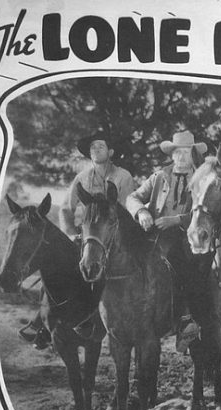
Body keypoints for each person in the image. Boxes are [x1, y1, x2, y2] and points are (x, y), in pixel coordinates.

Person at [19, 130, 135, 349]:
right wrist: (71, 233)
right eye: (92, 148)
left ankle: (99, 321)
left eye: (100, 146)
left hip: (112, 237)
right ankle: (43, 322)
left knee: (109, 273)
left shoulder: (124, 176)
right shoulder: (81, 178)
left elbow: (127, 209)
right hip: (84, 235)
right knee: (56, 269)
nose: (95, 150)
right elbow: (65, 209)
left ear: (110, 151)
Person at [125, 131, 210, 347]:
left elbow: (208, 210)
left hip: (188, 234)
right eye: (177, 152)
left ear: (193, 155)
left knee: (180, 261)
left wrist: (178, 220)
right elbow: (133, 197)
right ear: (171, 155)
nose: (181, 157)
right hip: (154, 233)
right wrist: (141, 213)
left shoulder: (202, 178)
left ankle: (185, 319)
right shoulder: (160, 176)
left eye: (186, 152)